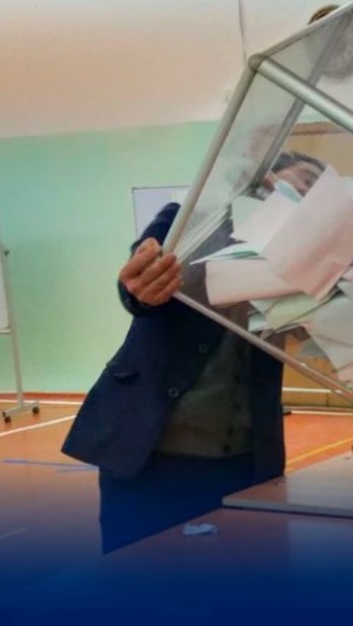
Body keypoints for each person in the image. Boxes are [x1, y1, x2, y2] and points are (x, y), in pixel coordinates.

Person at [62, 151, 325, 554]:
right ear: (266, 177)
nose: (308, 191)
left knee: (250, 568)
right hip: (150, 448)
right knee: (138, 568)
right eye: (304, 179)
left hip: (246, 455)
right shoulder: (191, 219)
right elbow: (140, 276)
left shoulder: (309, 257)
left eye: (317, 192)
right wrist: (140, 285)